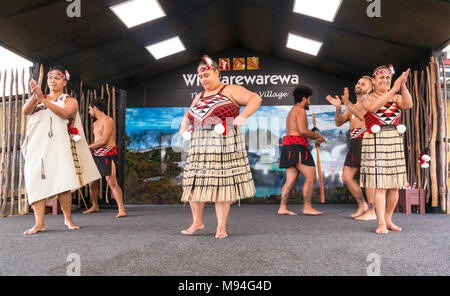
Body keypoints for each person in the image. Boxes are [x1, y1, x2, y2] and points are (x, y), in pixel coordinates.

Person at [179, 55, 261, 239]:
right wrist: (184, 123)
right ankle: (197, 222)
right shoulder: (199, 96)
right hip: (199, 146)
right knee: (193, 185)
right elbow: (188, 113)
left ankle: (221, 227)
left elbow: (255, 98)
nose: (204, 80)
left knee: (221, 187)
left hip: (223, 143)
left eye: (207, 75)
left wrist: (243, 116)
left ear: (217, 72)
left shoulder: (230, 90)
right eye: (201, 77)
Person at [22, 66, 101, 235]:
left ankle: (68, 219)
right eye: (50, 77)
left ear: (64, 82)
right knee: (36, 181)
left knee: (63, 182)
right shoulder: (38, 98)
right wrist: (36, 96)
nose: (52, 80)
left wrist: (43, 100)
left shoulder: (69, 100)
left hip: (58, 146)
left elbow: (66, 114)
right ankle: (39, 223)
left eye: (57, 78)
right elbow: (25, 111)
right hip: (37, 146)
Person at [358, 66, 412, 234]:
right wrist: (394, 89)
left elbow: (408, 104)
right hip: (375, 141)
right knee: (380, 185)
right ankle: (380, 222)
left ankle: (388, 219)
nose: (385, 81)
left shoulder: (396, 97)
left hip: (393, 140)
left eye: (388, 78)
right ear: (373, 81)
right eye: (381, 78)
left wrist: (402, 86)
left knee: (395, 185)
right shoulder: (365, 98)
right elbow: (373, 108)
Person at [326, 77, 376, 220]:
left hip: (366, 141)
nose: (359, 85)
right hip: (354, 142)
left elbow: (364, 118)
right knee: (346, 177)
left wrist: (347, 104)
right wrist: (338, 108)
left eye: (363, 84)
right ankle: (363, 205)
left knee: (368, 179)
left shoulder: (371, 103)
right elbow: (339, 122)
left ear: (370, 88)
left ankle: (372, 212)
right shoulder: (351, 106)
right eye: (358, 83)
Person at [278, 85, 326, 216]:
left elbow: (299, 132)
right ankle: (307, 207)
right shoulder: (299, 110)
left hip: (289, 147)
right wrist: (318, 136)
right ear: (304, 98)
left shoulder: (292, 111)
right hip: (298, 148)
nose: (309, 102)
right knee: (311, 177)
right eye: (309, 99)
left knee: (290, 180)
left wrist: (313, 136)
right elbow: (302, 131)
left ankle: (282, 207)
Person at [83, 98, 126, 218]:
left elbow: (104, 140)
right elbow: (97, 140)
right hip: (96, 154)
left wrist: (87, 147)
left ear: (95, 108)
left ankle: (121, 209)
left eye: (89, 109)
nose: (89, 112)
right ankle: (95, 206)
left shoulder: (108, 120)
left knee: (111, 182)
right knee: (92, 183)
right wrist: (91, 147)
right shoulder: (95, 123)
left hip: (108, 154)